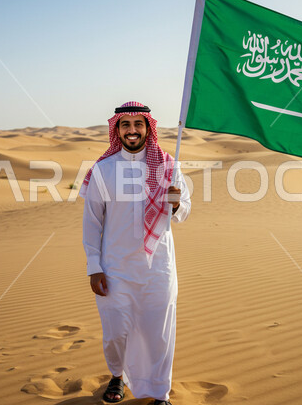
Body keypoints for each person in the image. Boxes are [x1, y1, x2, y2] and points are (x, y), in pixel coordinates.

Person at [80, 101, 191, 405]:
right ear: (117, 129)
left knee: (159, 334)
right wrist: (94, 266)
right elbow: (92, 223)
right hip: (115, 268)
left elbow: (183, 213)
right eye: (125, 125)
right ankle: (118, 375)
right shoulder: (103, 170)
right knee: (116, 333)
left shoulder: (169, 165)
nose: (132, 130)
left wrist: (177, 202)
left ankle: (160, 393)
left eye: (138, 124)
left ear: (147, 128)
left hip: (159, 268)